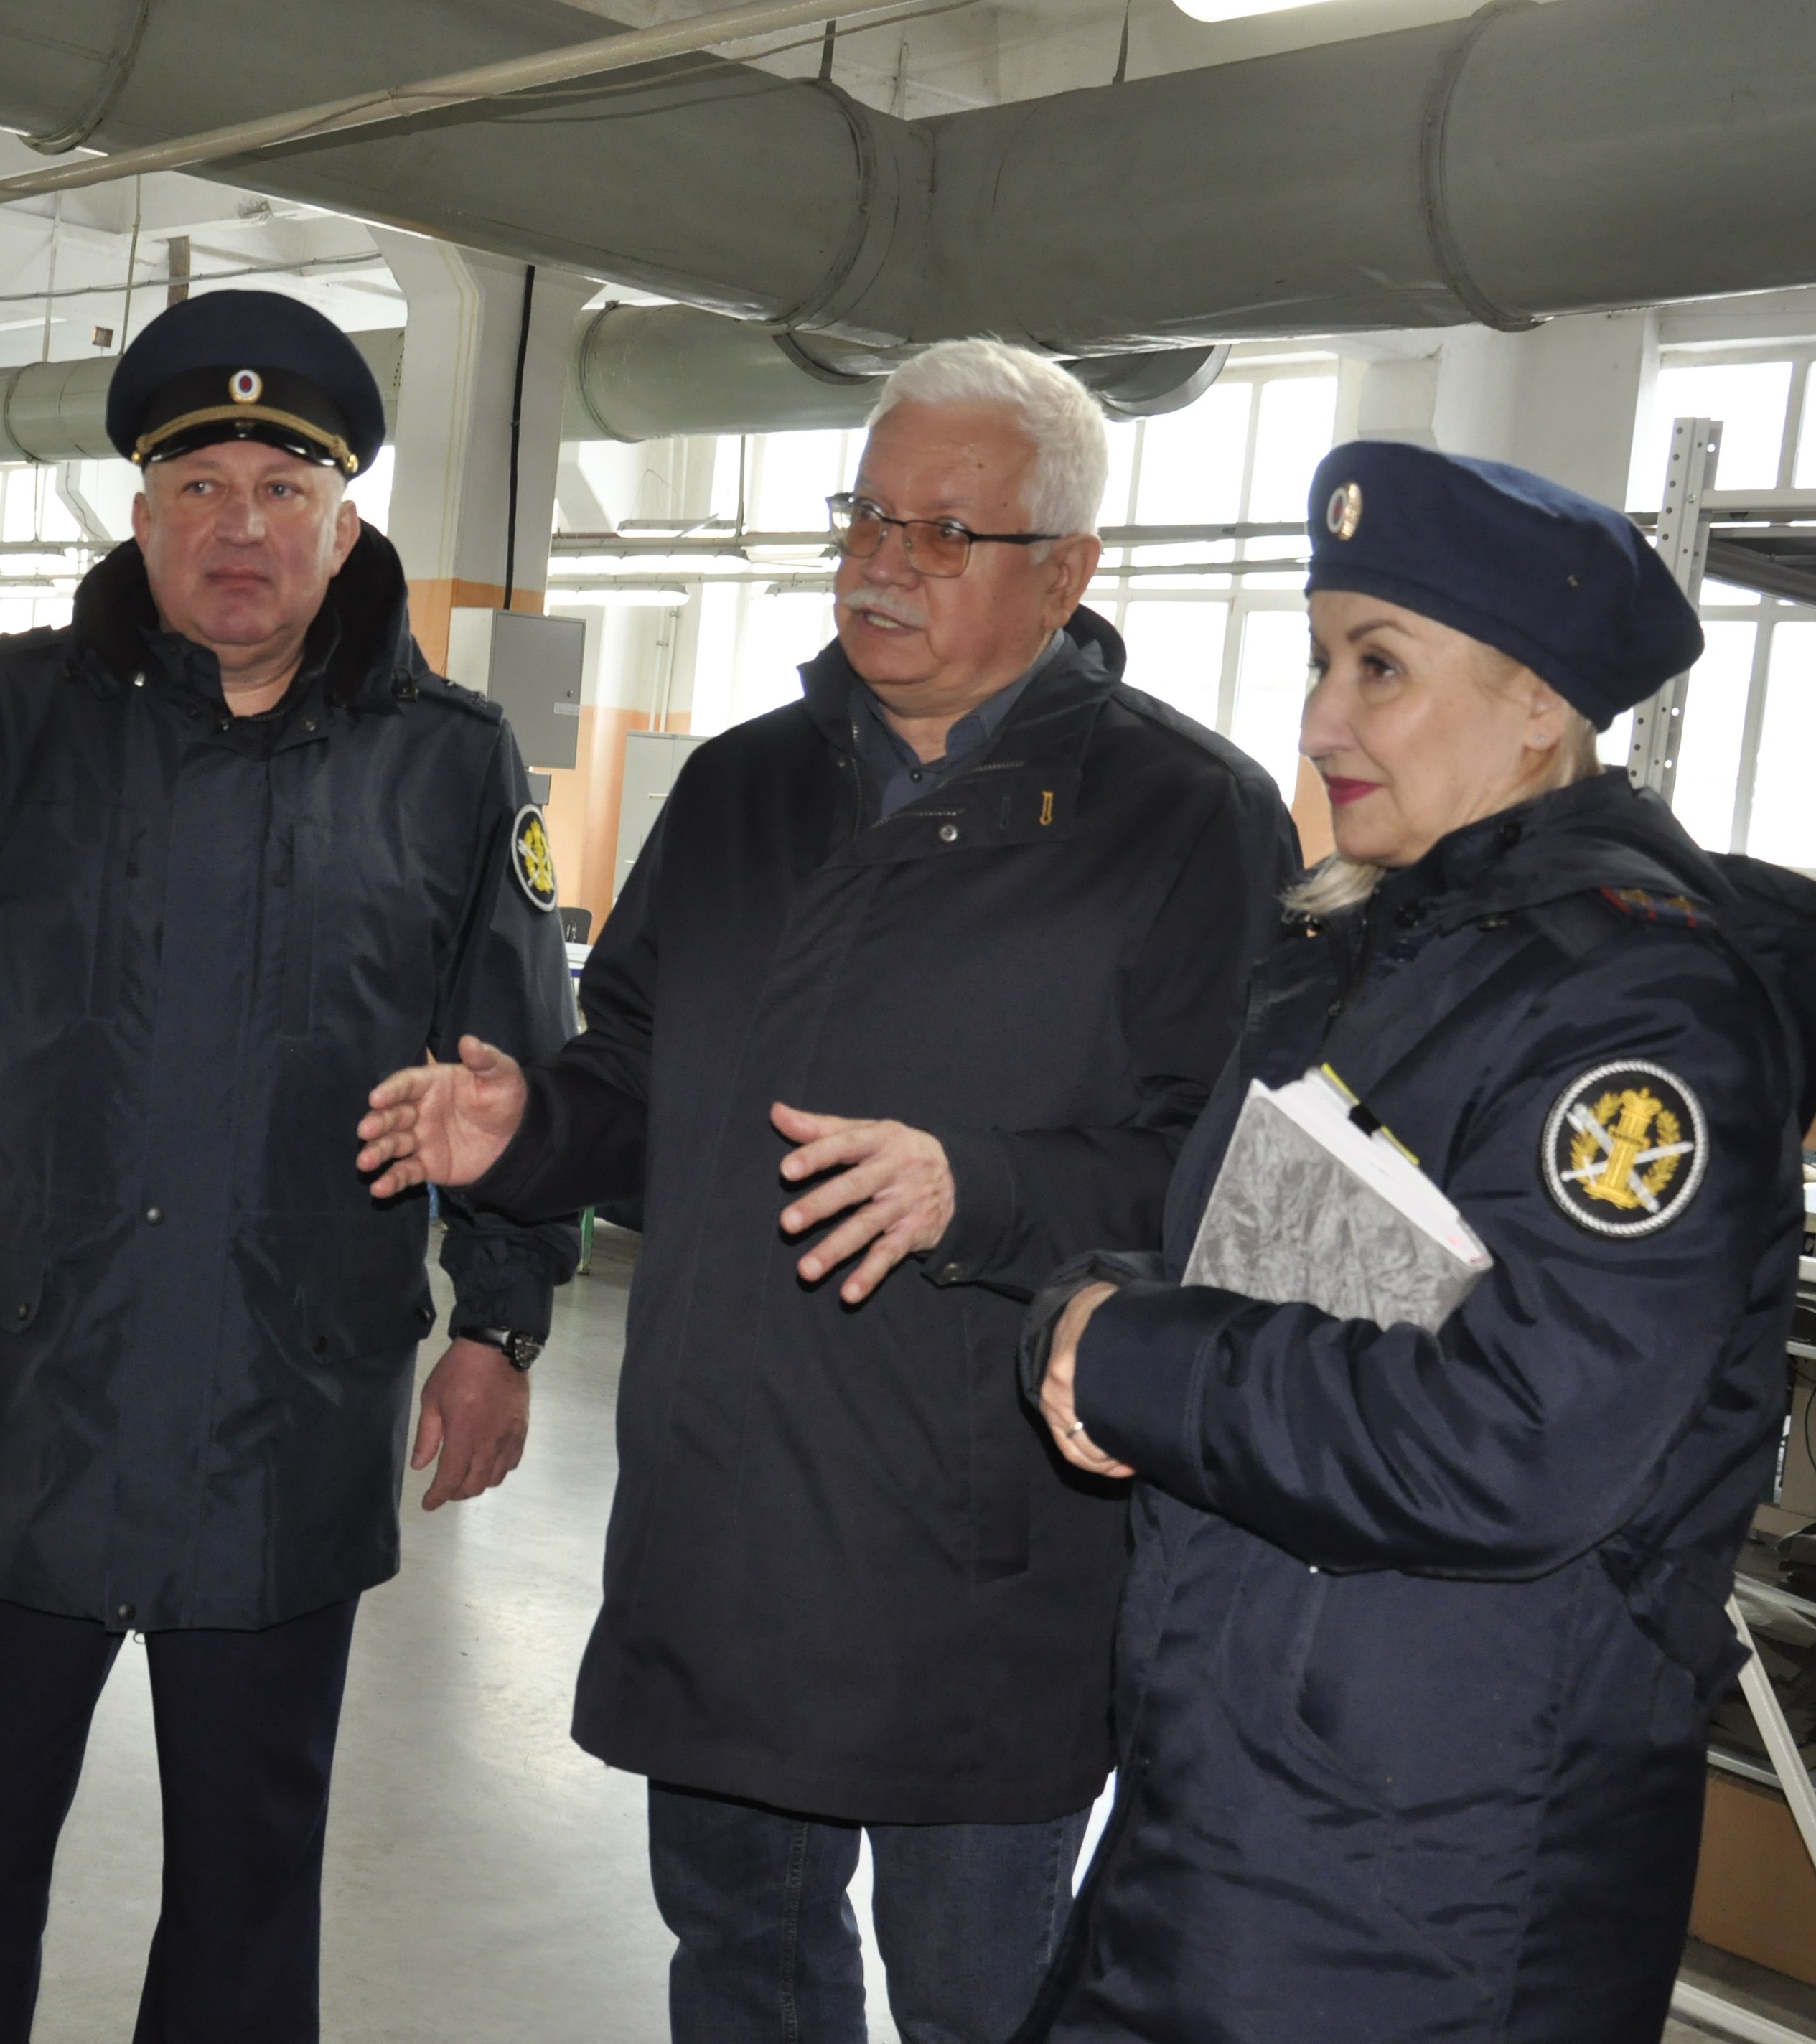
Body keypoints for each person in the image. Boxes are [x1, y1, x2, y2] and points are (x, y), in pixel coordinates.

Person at [356, 339, 1299, 2044]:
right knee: (738, 1973)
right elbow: (637, 1076)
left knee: (975, 1999)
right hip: (721, 1527)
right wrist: (528, 1128)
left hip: (984, 1560)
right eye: (865, 514)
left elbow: (1227, 1186)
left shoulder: (1184, 820)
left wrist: (977, 1186)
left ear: (1066, 570)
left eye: (944, 531)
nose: (881, 560)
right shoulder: (740, 788)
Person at [0, 289, 576, 2043]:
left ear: (343, 524)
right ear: (140, 517)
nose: (238, 526)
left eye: (282, 489)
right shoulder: (0, 723)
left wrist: (499, 1322)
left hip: (287, 1417)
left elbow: (520, 1075)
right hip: (19, 1405)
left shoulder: (446, 765)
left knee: (245, 1901)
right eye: (198, 485)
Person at [1023, 441, 1816, 2043]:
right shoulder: (1361, 950)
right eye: (1319, 660)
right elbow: (1230, 1271)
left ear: (1536, 703)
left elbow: (1519, 1438)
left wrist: (1139, 1362)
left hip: (1440, 1881)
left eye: (1379, 667)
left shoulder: (1636, 1008)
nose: (1321, 720)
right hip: (1233, 1801)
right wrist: (1091, 1310)